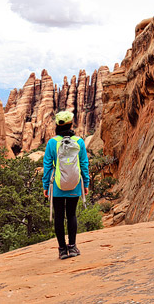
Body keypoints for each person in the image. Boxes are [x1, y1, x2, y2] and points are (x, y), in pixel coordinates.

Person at [42, 110, 90, 260]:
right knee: (71, 214)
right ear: (71, 124)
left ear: (57, 125)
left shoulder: (52, 143)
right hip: (75, 183)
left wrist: (45, 186)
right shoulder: (79, 141)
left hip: (57, 185)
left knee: (59, 217)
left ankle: (62, 250)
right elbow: (84, 164)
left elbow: (48, 166)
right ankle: (73, 247)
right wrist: (86, 183)